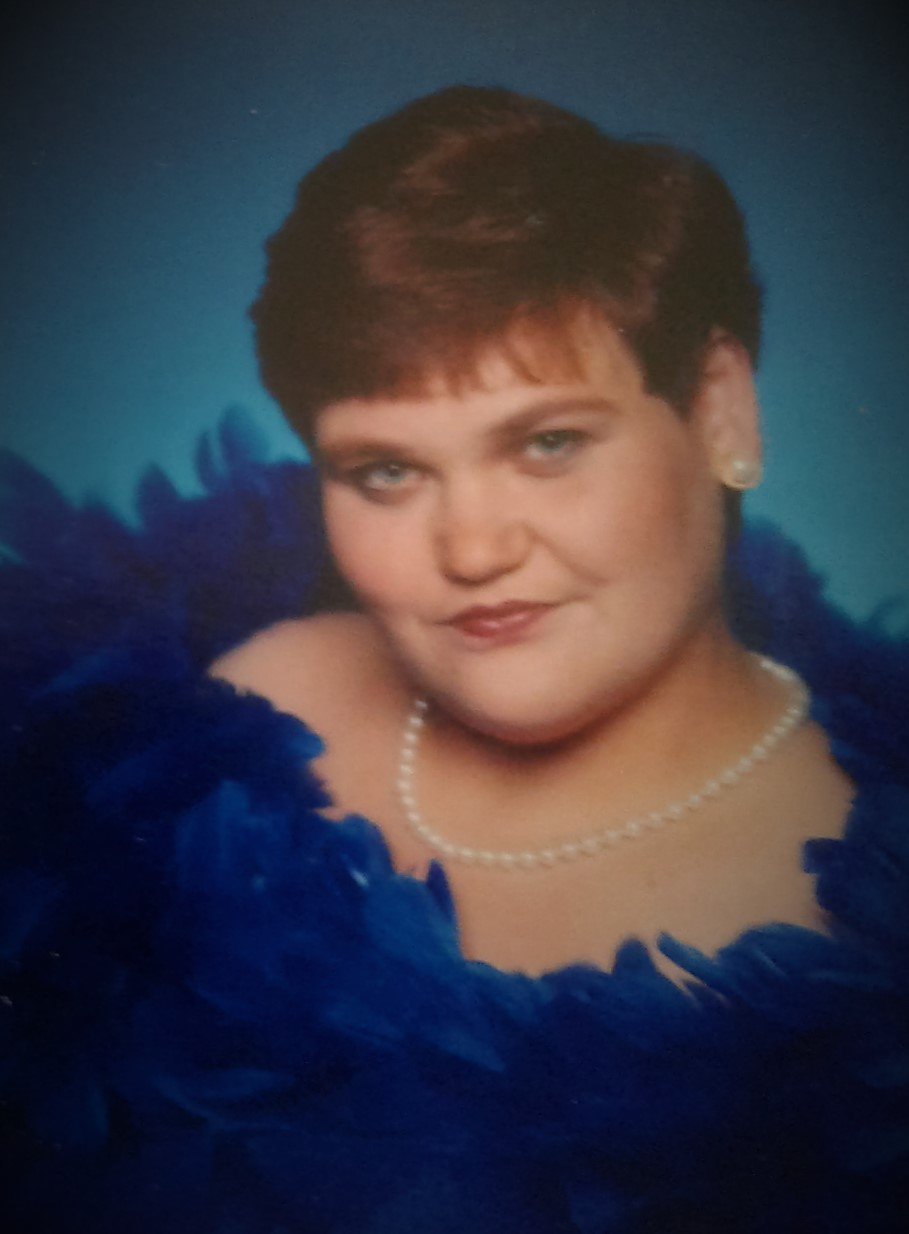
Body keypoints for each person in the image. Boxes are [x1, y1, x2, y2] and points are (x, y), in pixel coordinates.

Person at [1, 86, 907, 1232]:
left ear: (722, 411)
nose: (473, 550)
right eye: (386, 471)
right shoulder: (242, 715)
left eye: (548, 443)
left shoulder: (869, 915)